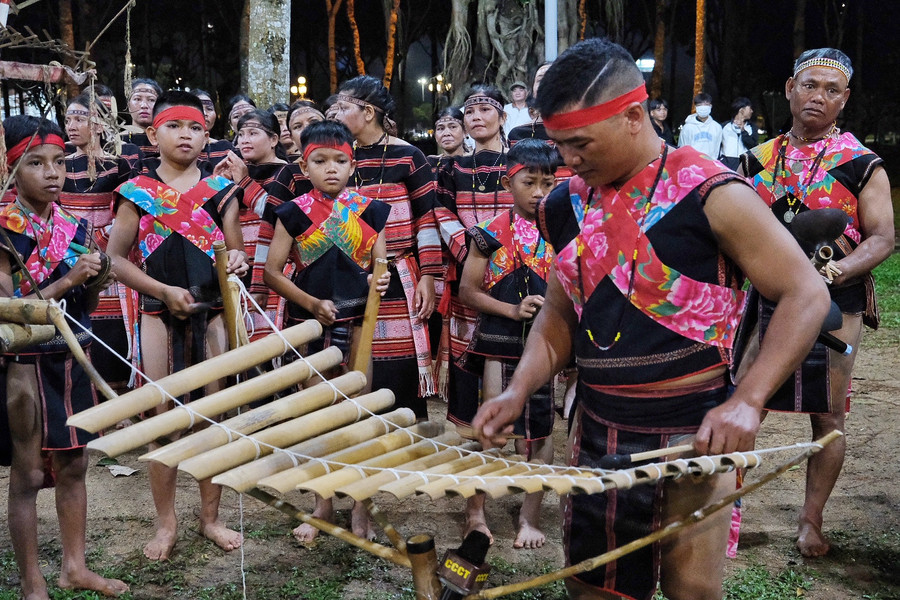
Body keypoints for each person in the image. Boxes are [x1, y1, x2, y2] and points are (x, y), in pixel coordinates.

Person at [473, 38, 831, 600]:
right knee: (596, 587)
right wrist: (520, 388)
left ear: (634, 116)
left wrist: (748, 399)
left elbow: (805, 294)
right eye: (560, 145)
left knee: (692, 590)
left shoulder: (713, 193)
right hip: (598, 428)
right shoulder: (566, 203)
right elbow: (563, 311)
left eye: (580, 143)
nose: (568, 160)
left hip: (694, 432)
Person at [738, 48, 895, 558]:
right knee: (744, 405)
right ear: (789, 88)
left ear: (844, 99)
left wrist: (833, 272)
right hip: (766, 300)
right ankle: (725, 518)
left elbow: (882, 239)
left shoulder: (861, 163)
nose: (818, 97)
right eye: (810, 85)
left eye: (831, 90)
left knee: (828, 418)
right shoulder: (756, 159)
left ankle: (810, 521)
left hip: (837, 302)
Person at [106, 90, 249, 561]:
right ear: (152, 133)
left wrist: (240, 263)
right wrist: (163, 290)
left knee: (215, 415)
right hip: (156, 315)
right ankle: (165, 523)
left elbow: (233, 252)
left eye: (194, 128)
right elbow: (114, 260)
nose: (184, 135)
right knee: (161, 420)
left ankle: (210, 518)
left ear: (207, 136)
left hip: (211, 317)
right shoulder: (135, 192)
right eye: (173, 126)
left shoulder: (222, 191)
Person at [0, 115, 129, 599]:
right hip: (25, 366)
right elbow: (11, 312)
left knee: (75, 465)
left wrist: (94, 284)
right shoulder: (4, 229)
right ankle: (32, 581)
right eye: (35, 163)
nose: (52, 173)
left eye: (59, 162)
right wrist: (74, 279)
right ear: (13, 170)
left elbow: (86, 307)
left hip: (74, 356)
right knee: (29, 474)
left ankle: (74, 567)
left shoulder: (74, 224)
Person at [264, 120, 391, 544]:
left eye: (340, 160)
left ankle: (361, 506)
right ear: (304, 164)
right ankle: (321, 506)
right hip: (308, 326)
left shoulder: (371, 210)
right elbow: (271, 272)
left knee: (361, 412)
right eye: (320, 161)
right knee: (315, 416)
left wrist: (383, 280)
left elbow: (380, 266)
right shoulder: (293, 211)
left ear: (353, 165)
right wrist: (310, 303)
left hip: (358, 326)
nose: (330, 169)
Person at [458, 139, 558, 549]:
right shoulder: (487, 234)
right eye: (528, 182)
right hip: (497, 342)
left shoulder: (566, 228)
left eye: (547, 183)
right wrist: (511, 310)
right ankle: (475, 514)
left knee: (543, 430)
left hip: (548, 343)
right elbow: (467, 291)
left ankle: (529, 517)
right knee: (491, 427)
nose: (538, 192)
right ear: (507, 181)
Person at [329, 75, 441, 422]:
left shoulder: (409, 156)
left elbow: (427, 218)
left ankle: (409, 454)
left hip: (399, 275)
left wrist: (429, 278)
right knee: (354, 362)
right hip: (348, 278)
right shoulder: (335, 156)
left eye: (343, 107)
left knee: (400, 367)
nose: (334, 112)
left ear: (367, 113)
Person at [433, 84, 513, 542]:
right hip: (470, 282)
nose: (477, 116)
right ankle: (475, 510)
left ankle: (527, 505)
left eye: (485, 109)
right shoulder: (453, 168)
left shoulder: (522, 159)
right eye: (470, 110)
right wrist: (470, 249)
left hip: (519, 278)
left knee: (522, 396)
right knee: (469, 395)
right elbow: (442, 214)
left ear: (502, 115)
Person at [63, 95, 136, 396]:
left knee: (113, 330)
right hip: (67, 255)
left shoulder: (121, 162)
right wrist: (72, 246)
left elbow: (130, 210)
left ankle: (118, 405)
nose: (72, 126)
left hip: (110, 253)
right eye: (68, 119)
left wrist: (103, 243)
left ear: (101, 123)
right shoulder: (60, 163)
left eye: (80, 119)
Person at [214, 109, 303, 339]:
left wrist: (244, 181)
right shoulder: (232, 171)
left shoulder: (290, 172)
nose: (244, 139)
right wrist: (216, 184)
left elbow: (279, 217)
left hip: (276, 268)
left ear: (274, 139)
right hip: (237, 265)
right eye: (241, 134)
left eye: (253, 133)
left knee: (273, 342)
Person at [120, 78, 163, 166]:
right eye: (137, 99)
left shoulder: (166, 140)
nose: (144, 105)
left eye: (151, 100)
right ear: (128, 105)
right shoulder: (117, 140)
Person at [193, 89, 235, 167]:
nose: (205, 113)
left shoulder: (226, 149)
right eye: (199, 108)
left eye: (209, 109)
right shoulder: (177, 147)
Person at [678, 92, 722, 157]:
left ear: (710, 106)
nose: (703, 108)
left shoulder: (717, 127)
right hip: (692, 164)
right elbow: (682, 148)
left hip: (710, 164)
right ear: (695, 107)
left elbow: (717, 149)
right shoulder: (687, 127)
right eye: (700, 105)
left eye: (706, 104)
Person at [428, 106, 468, 174]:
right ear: (435, 135)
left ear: (465, 132)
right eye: (440, 128)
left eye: (452, 127)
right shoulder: (429, 163)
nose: (446, 134)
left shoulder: (476, 162)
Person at [720, 97, 755, 170]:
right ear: (741, 110)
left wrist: (743, 131)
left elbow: (754, 146)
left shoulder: (751, 128)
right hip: (726, 165)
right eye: (750, 109)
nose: (752, 111)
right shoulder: (724, 127)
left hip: (744, 165)